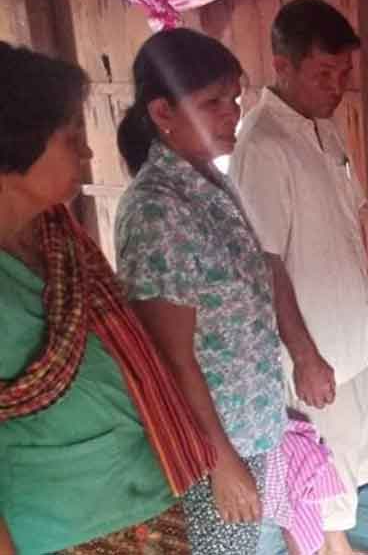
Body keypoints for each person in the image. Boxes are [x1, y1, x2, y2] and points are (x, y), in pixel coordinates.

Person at [0, 41, 214, 555]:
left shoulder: (57, 235)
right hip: (66, 527)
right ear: (12, 148)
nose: (89, 153)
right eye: (71, 138)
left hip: (149, 487)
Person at [228, 0, 368, 555]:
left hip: (352, 330)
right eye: (324, 73)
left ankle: (337, 548)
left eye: (344, 73)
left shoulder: (324, 127)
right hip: (315, 344)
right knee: (313, 460)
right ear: (283, 65)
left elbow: (348, 226)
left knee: (348, 451)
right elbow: (265, 260)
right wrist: (303, 355)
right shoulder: (262, 143)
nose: (337, 86)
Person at [114, 28, 288, 554]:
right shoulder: (157, 209)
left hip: (245, 423)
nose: (232, 114)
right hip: (210, 443)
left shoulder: (208, 182)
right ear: (162, 112)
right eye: (213, 102)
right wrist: (222, 461)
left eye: (234, 99)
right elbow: (171, 356)